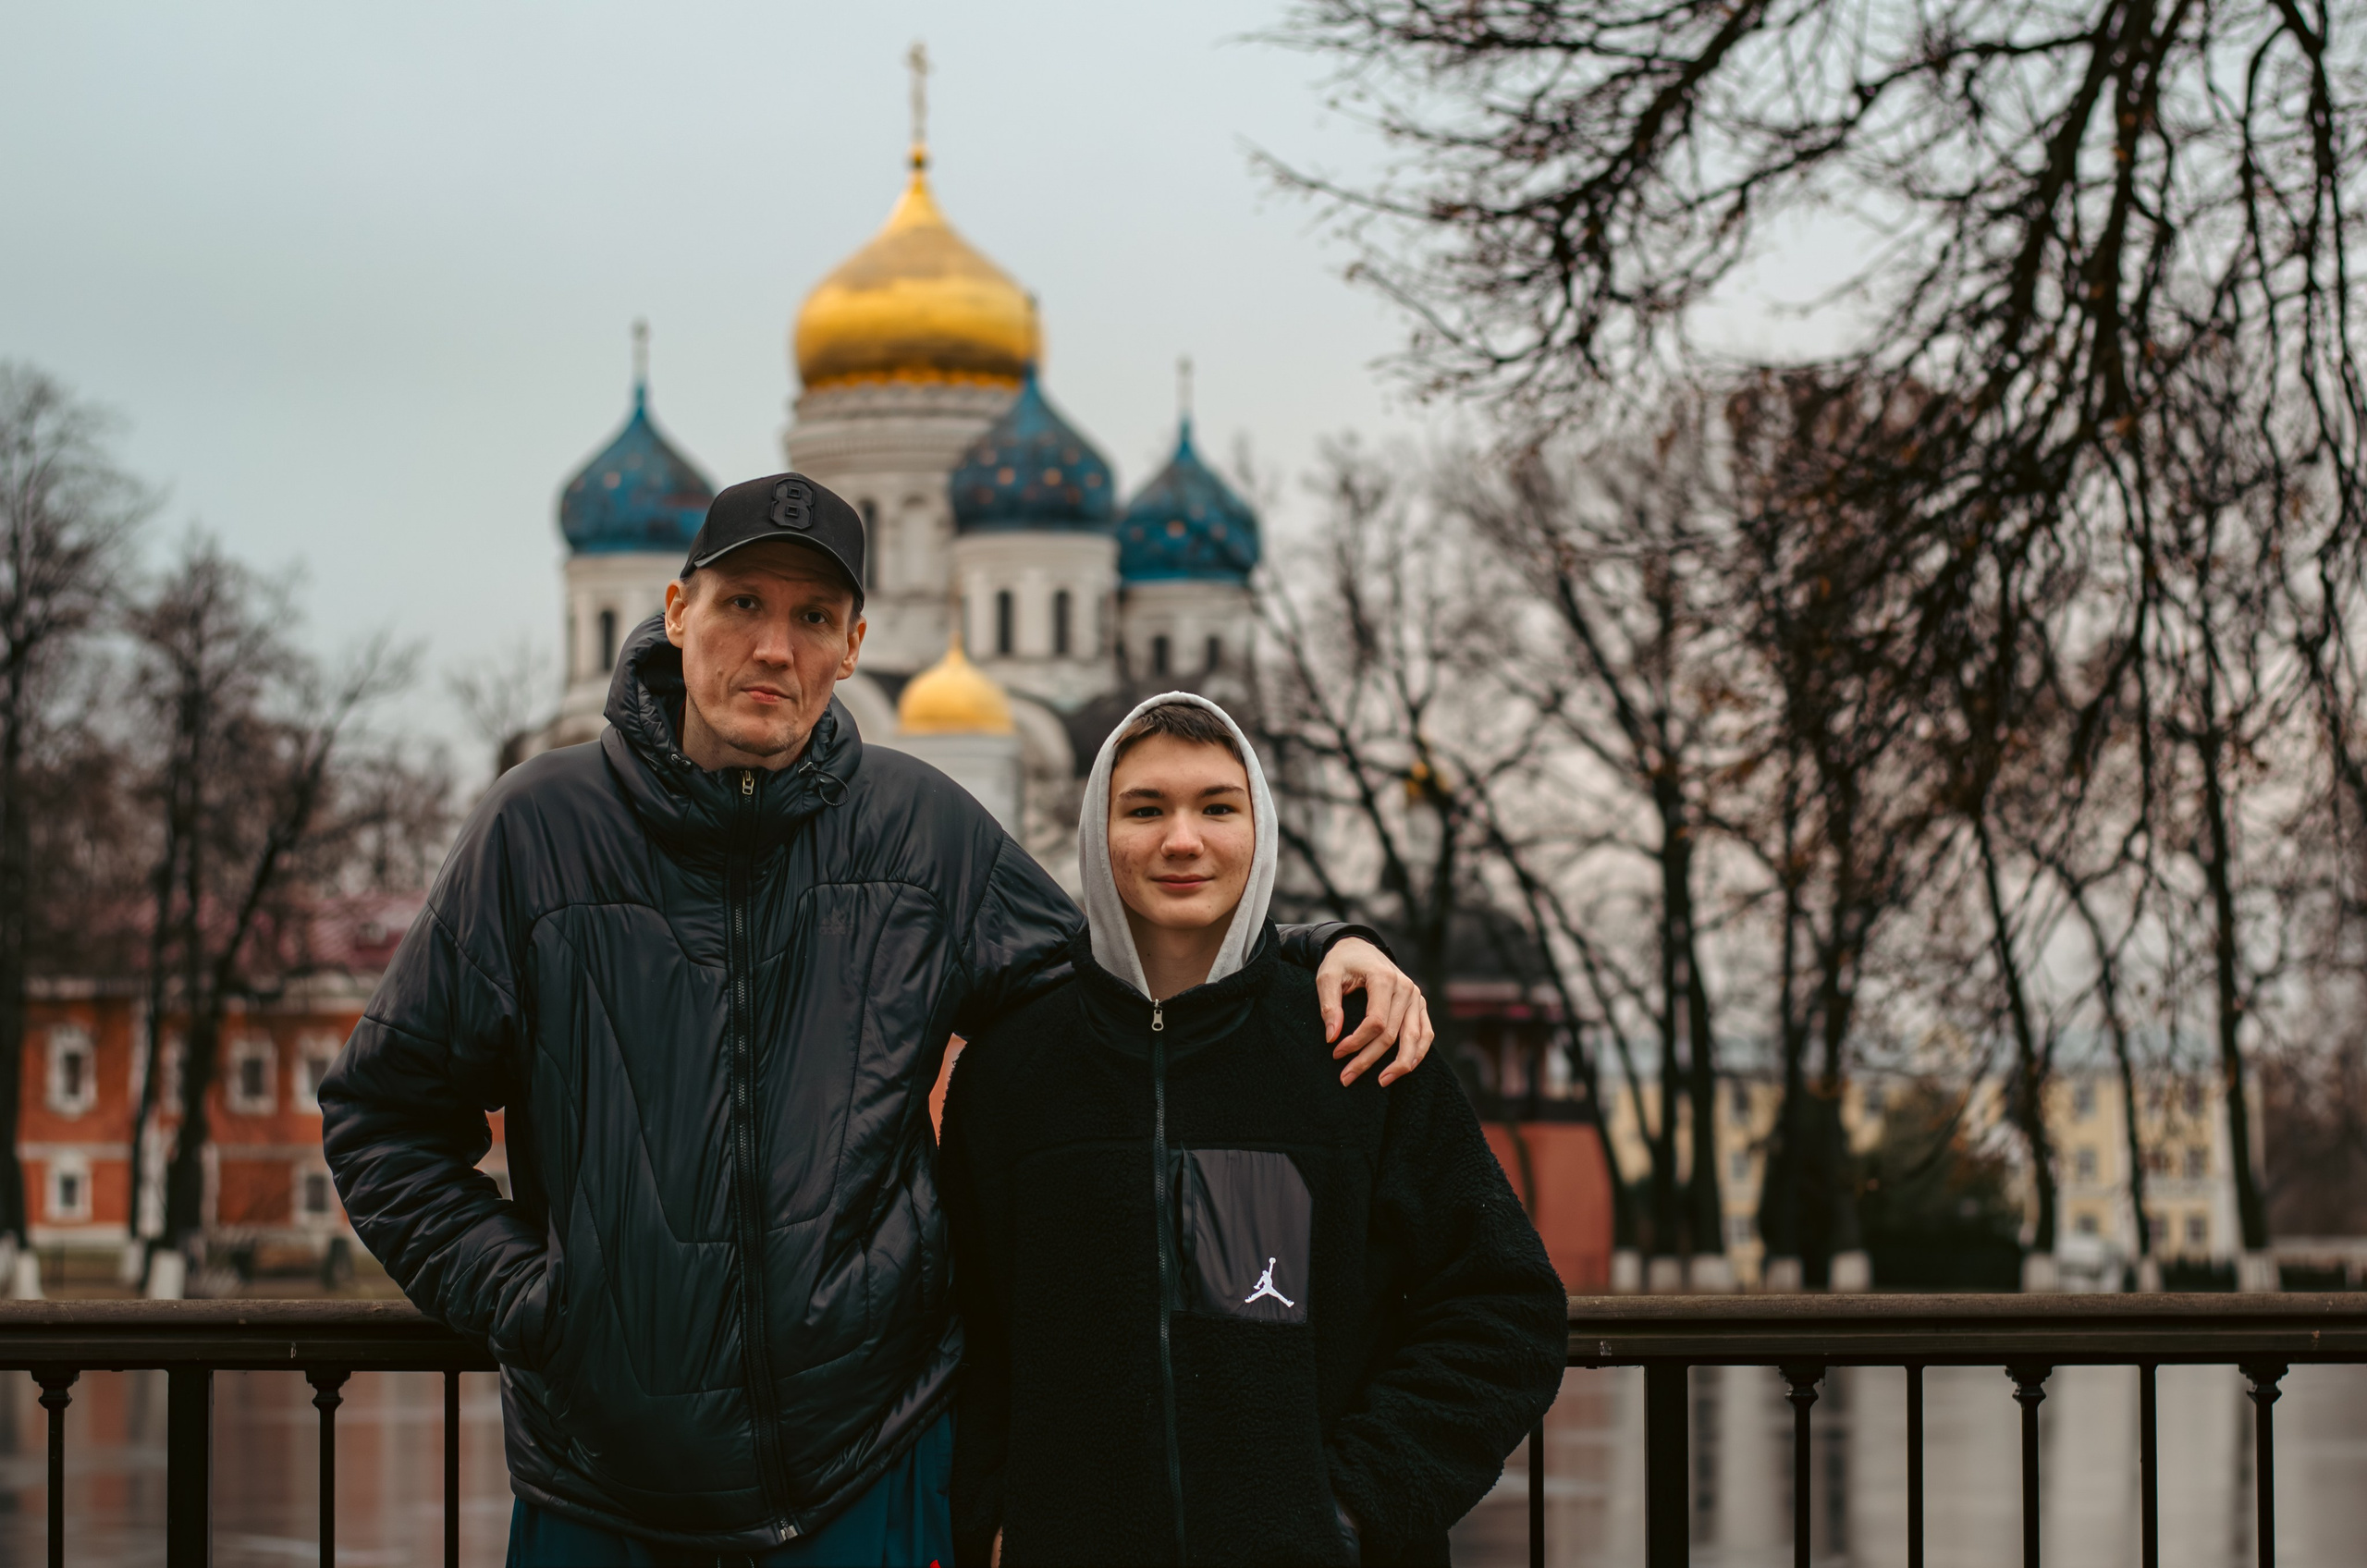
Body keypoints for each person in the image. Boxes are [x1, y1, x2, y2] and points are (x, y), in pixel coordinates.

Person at [318, 473, 1434, 1565]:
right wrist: (540, 1301)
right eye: (743, 604)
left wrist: (1311, 946)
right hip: (602, 1487)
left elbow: (1125, 982)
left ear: (853, 648)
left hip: (867, 1470)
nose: (775, 648)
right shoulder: (540, 830)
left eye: (813, 617)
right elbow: (383, 1117)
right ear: (676, 611)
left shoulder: (919, 833)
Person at [939, 696, 1567, 1568]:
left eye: (1217, 807)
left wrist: (1350, 1505)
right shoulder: (1015, 1069)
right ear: (1096, 831)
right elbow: (959, 1323)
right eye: (1146, 808)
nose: (1183, 840)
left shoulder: (1352, 1045)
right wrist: (994, 1513)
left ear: (1260, 827)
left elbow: (1505, 1307)